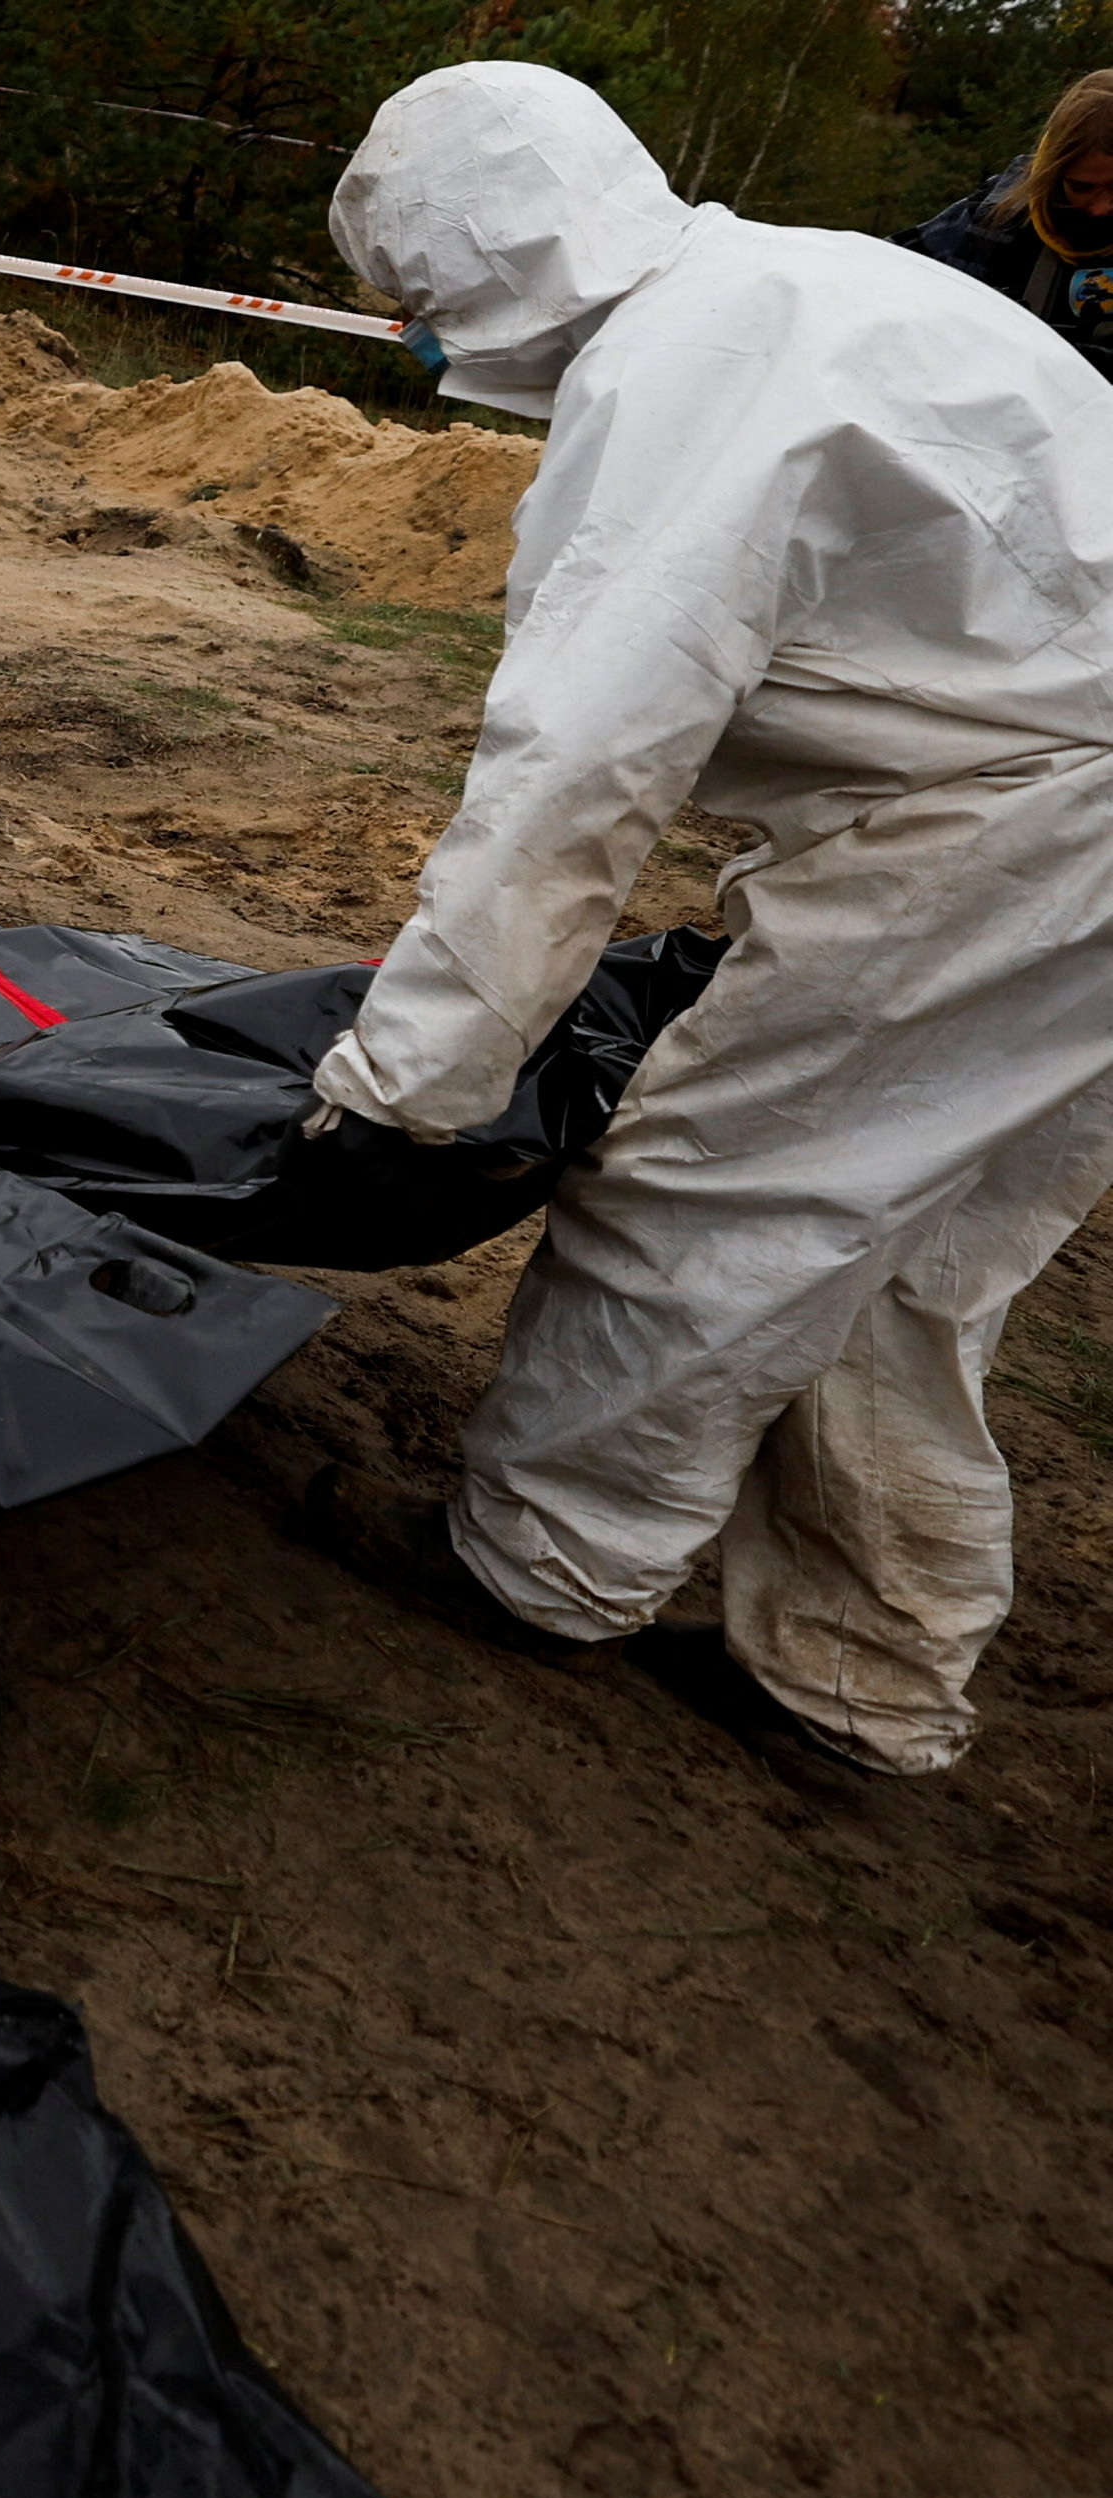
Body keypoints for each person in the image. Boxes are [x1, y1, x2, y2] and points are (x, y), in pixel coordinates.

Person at [300, 61, 1113, 1777]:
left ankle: (540, 1570)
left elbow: (577, 766)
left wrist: (413, 1089)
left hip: (1043, 829)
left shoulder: (696, 369)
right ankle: (860, 1675)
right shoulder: (809, 292)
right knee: (905, 1250)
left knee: (714, 1185)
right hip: (1054, 809)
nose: (417, 342)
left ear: (471, 261)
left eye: (411, 302)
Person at [895, 67, 1113, 388]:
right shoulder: (999, 211)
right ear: (1051, 169)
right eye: (1080, 187)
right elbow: (889, 270)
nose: (1100, 208)